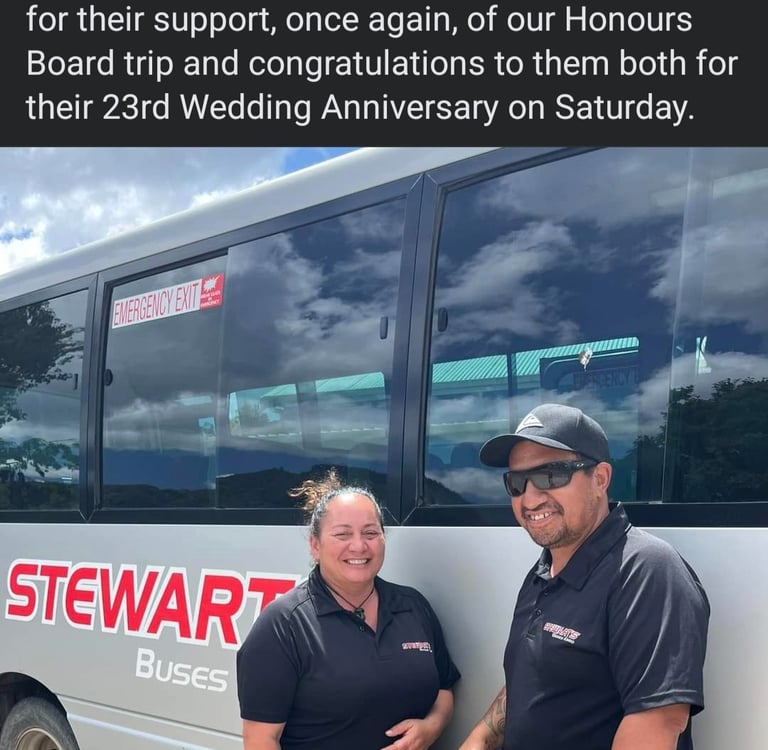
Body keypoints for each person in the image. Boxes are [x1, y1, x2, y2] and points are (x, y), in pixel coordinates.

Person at [458, 403, 710, 750]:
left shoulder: (645, 572)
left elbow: (658, 723)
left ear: (600, 479)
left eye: (550, 475)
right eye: (516, 482)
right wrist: (481, 739)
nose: (530, 498)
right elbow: (535, 681)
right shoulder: (542, 573)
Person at [236, 468, 460, 750]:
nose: (359, 546)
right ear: (315, 545)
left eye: (370, 533)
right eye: (342, 534)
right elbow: (261, 740)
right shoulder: (284, 624)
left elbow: (444, 688)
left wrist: (431, 727)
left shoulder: (413, 606)